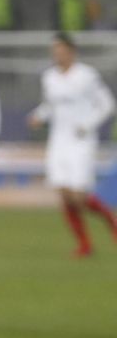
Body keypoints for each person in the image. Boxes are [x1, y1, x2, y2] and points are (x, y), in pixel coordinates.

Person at [28, 33, 117, 257]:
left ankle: (112, 223)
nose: (57, 54)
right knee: (64, 193)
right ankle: (85, 244)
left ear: (71, 51)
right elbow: (50, 106)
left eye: (61, 50)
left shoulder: (87, 75)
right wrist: (38, 116)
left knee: (79, 196)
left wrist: (87, 125)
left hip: (81, 141)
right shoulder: (49, 77)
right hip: (58, 141)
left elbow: (107, 104)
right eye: (54, 50)